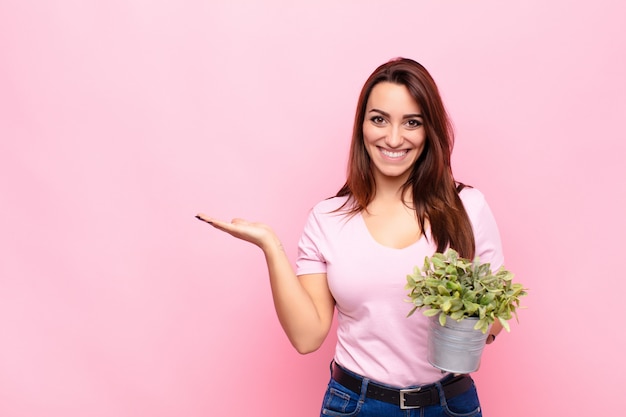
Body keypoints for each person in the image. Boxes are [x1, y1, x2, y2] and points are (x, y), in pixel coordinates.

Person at [196, 57, 504, 417]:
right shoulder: (327, 219)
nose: (393, 138)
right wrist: (270, 245)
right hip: (358, 405)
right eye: (379, 119)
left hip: (449, 404)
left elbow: (494, 319)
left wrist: (469, 325)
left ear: (429, 130)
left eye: (412, 122)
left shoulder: (467, 207)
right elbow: (307, 337)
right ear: (361, 126)